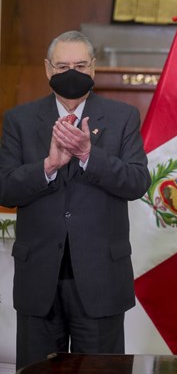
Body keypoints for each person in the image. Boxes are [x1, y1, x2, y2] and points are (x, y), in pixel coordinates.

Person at [0, 30, 151, 369]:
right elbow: (5, 188)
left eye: (80, 65)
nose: (72, 72)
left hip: (101, 279)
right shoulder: (20, 120)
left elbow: (137, 182)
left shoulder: (122, 117)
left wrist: (88, 154)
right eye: (63, 66)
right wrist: (47, 166)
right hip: (39, 279)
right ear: (48, 69)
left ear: (93, 67)